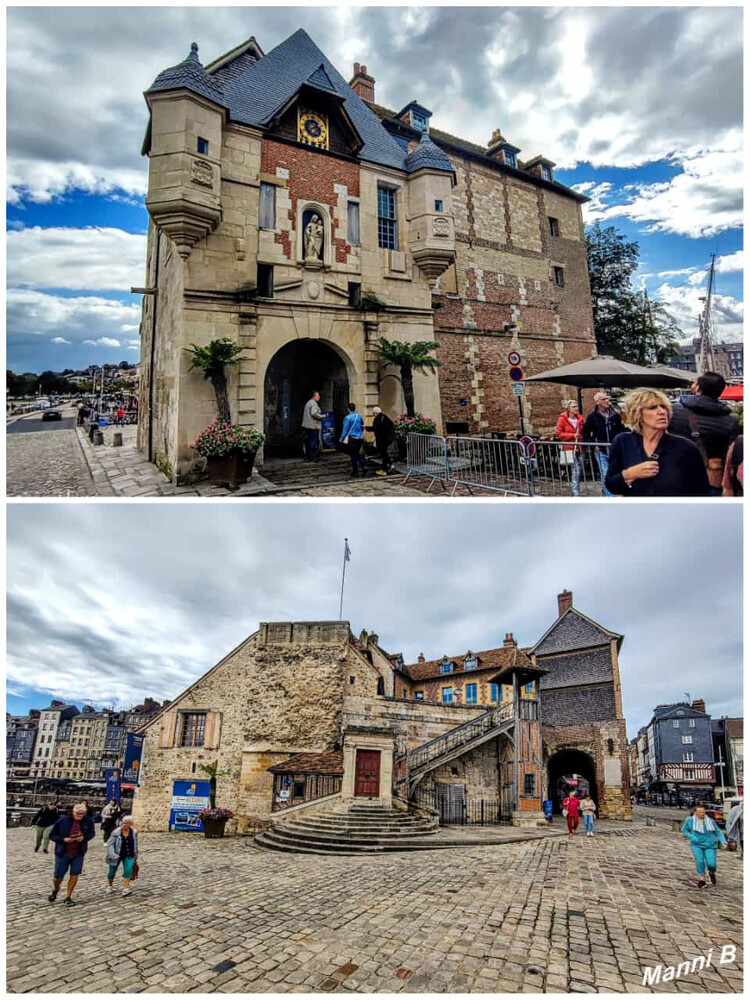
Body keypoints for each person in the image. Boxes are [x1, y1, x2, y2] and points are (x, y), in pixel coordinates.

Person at [605, 389, 710, 497]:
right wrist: (630, 474)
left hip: (674, 512)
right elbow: (611, 485)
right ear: (637, 414)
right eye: (652, 407)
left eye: (663, 407)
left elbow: (702, 493)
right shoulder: (623, 442)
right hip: (636, 512)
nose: (662, 412)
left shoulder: (686, 448)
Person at [668, 372, 740, 495]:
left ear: (697, 388)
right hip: (713, 477)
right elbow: (730, 454)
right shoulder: (731, 421)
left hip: (677, 474)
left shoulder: (674, 411)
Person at [48, 802, 95, 906]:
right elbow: (52, 835)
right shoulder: (62, 820)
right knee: (58, 876)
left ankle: (68, 897)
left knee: (74, 875)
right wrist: (63, 839)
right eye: (78, 813)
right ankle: (56, 889)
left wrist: (84, 838)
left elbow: (91, 833)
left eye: (82, 814)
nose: (80, 816)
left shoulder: (88, 821)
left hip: (78, 853)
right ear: (73, 812)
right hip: (63, 853)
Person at [583, 392, 625, 496]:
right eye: (603, 399)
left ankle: (614, 491)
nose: (607, 401)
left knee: (615, 472)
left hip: (614, 449)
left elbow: (621, 430)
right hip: (601, 450)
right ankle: (609, 496)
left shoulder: (615, 415)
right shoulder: (592, 416)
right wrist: (593, 444)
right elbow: (586, 432)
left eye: (607, 399)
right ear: (597, 402)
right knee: (605, 472)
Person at [681, 802, 727, 888]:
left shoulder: (710, 821)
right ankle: (701, 880)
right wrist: (691, 836)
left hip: (710, 845)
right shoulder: (690, 820)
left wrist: (723, 842)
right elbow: (684, 830)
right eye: (700, 812)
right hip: (696, 845)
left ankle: (711, 872)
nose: (702, 814)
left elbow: (718, 831)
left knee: (711, 864)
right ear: (695, 812)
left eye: (703, 812)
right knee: (700, 861)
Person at [555, 401, 584, 496]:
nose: (576, 408)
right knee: (575, 470)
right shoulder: (562, 419)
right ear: (568, 408)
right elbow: (558, 434)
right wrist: (572, 435)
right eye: (574, 406)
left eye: (577, 406)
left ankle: (576, 490)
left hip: (580, 447)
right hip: (569, 448)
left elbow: (584, 431)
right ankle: (576, 493)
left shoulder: (580, 419)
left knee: (579, 470)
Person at [105, 815, 139, 897]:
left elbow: (135, 843)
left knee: (128, 870)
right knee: (111, 872)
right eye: (123, 822)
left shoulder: (134, 832)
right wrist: (112, 854)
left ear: (130, 824)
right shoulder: (116, 832)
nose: (125, 824)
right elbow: (110, 844)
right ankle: (110, 885)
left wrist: (135, 855)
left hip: (129, 854)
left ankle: (126, 888)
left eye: (127, 823)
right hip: (116, 854)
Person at [340, 403, 368, 477]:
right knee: (356, 452)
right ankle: (363, 465)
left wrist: (341, 439)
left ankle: (356, 470)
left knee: (353, 454)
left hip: (352, 438)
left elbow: (345, 429)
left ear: (348, 409)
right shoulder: (359, 416)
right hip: (360, 438)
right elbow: (362, 426)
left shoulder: (348, 418)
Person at [371, 407, 395, 476]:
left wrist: (366, 428)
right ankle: (390, 464)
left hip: (381, 439)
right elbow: (391, 425)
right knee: (384, 453)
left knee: (383, 454)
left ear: (376, 413)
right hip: (387, 438)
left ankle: (384, 469)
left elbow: (375, 428)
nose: (373, 415)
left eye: (374, 413)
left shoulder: (378, 418)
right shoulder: (384, 417)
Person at [301, 391, 324, 462]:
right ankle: (313, 456)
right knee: (313, 441)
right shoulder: (313, 403)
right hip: (313, 425)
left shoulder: (308, 403)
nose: (319, 397)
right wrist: (322, 416)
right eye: (318, 396)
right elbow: (313, 413)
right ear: (315, 397)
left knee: (308, 441)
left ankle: (308, 456)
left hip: (307, 425)